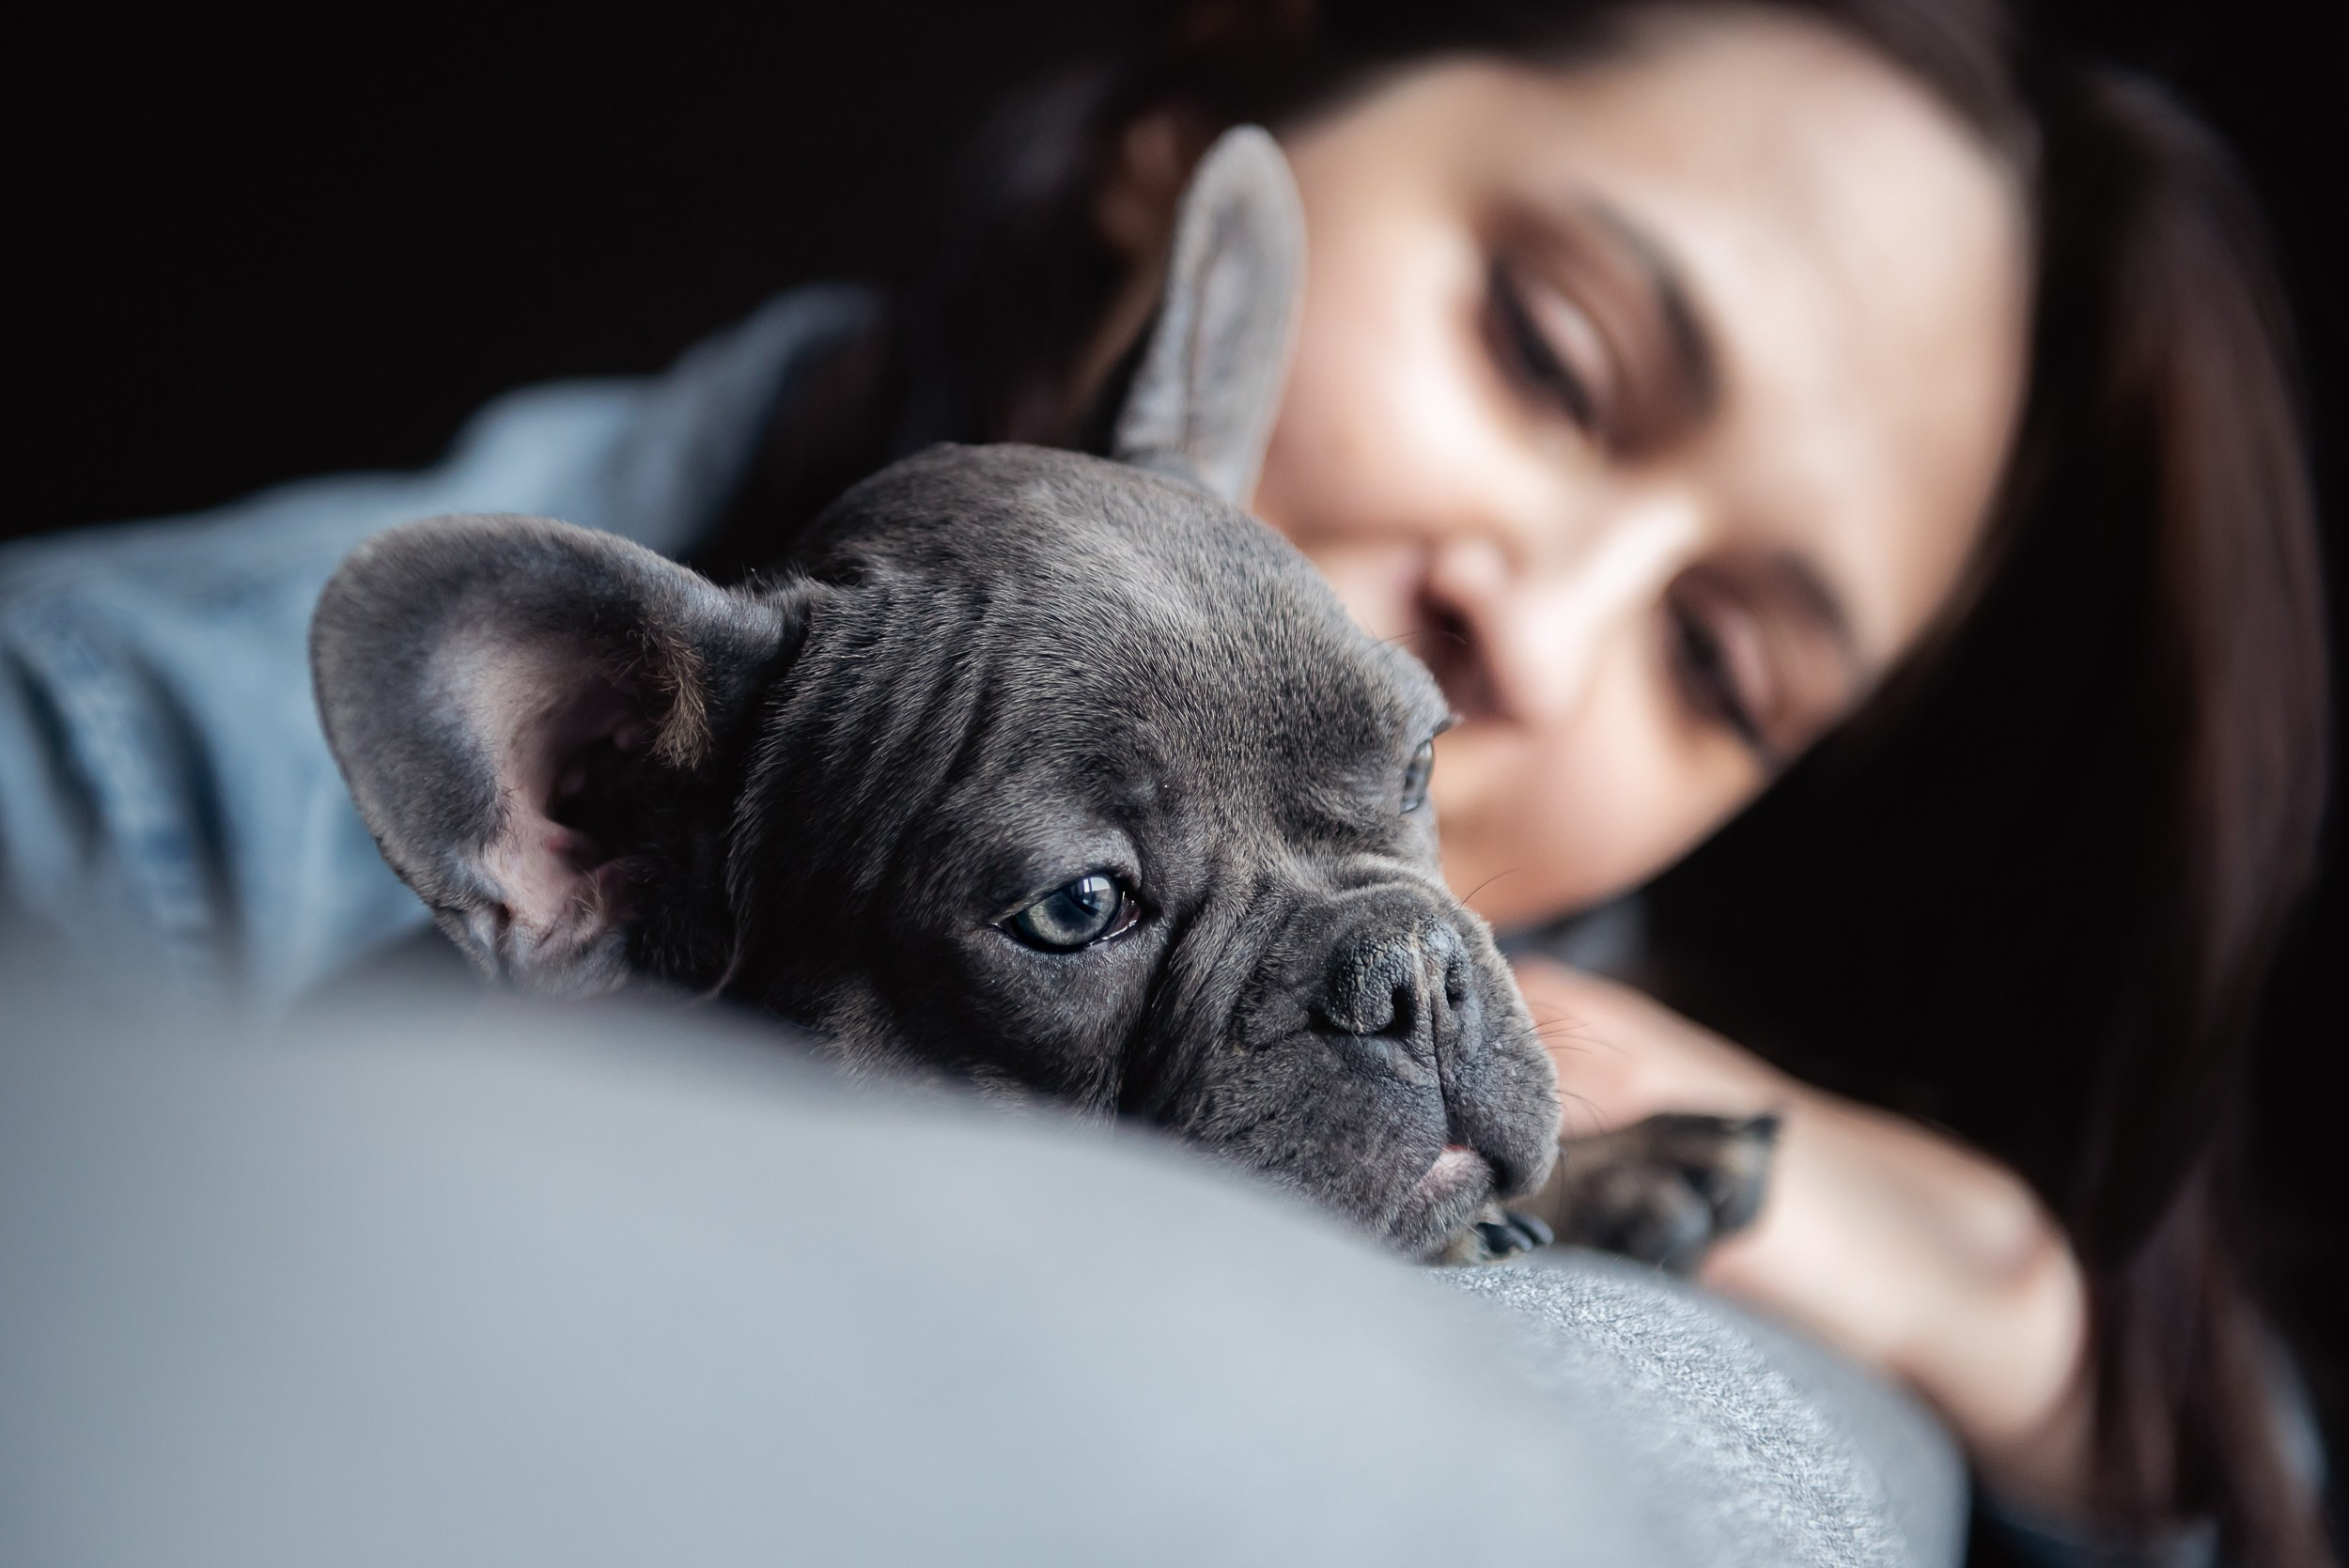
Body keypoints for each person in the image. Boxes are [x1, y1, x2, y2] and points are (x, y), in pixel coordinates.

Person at [0, 1, 2328, 1562]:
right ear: (1181, 157)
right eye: (1549, 350)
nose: (1544, 619)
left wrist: (2020, 1291)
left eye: (1716, 661)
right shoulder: (429, 741)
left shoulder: (1605, 1000)